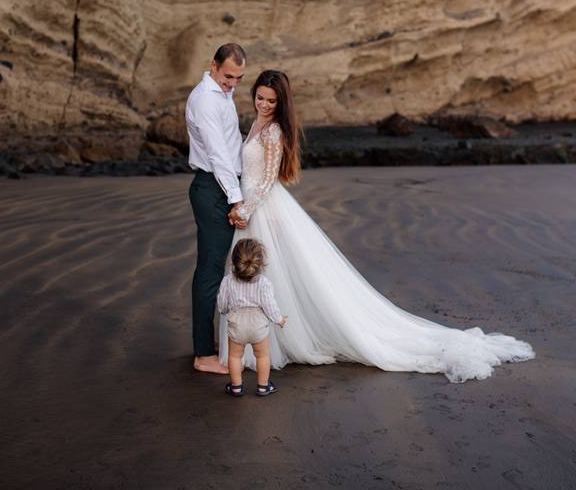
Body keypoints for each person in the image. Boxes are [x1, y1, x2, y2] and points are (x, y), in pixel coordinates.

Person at [221, 70, 535, 383]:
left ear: (281, 102)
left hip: (261, 206)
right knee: (268, 274)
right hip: (249, 205)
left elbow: (267, 178)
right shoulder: (257, 122)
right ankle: (254, 340)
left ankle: (264, 344)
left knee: (271, 273)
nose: (263, 104)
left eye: (271, 101)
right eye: (260, 98)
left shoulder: (274, 131)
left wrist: (246, 208)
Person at [185, 43, 248, 374]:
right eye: (228, 76)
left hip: (219, 186)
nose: (232, 83)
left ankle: (209, 347)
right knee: (210, 272)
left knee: (213, 270)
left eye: (238, 78)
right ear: (213, 65)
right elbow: (219, 156)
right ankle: (203, 355)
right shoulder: (207, 99)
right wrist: (236, 199)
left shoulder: (222, 93)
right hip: (213, 189)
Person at [216, 238, 288, 396]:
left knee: (234, 356)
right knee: (262, 356)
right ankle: (263, 386)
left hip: (237, 324)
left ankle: (236, 386)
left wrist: (224, 310)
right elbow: (270, 306)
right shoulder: (264, 283)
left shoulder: (228, 281)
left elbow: (222, 303)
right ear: (260, 264)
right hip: (258, 326)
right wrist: (279, 319)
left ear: (233, 263)